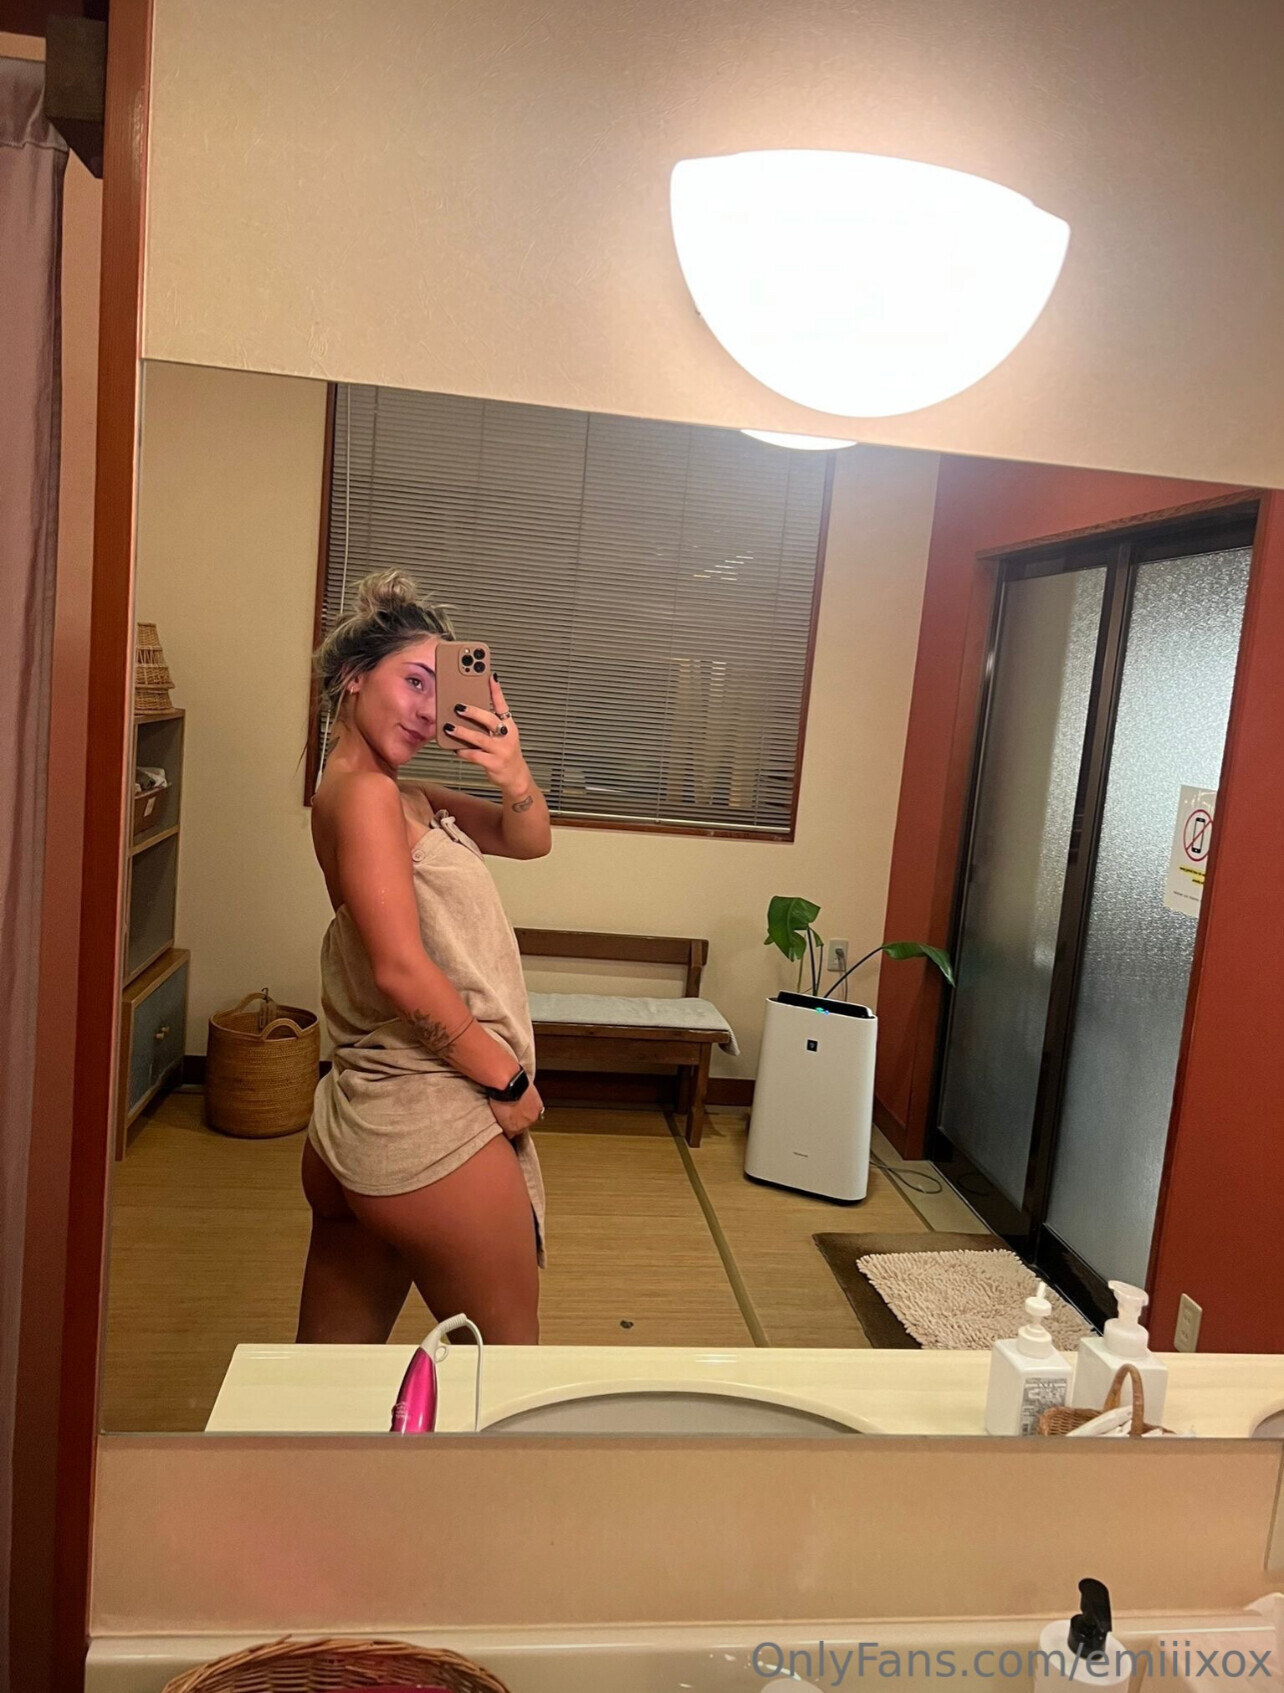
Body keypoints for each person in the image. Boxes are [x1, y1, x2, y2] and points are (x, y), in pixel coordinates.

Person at [296, 568, 549, 1346]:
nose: (428, 709)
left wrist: (511, 769)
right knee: (508, 1374)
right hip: (427, 1123)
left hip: (362, 1120)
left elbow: (528, 838)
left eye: (439, 691)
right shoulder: (368, 794)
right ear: (353, 676)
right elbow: (399, 969)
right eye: (413, 680)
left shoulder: (397, 792)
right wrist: (507, 1079)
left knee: (327, 1382)